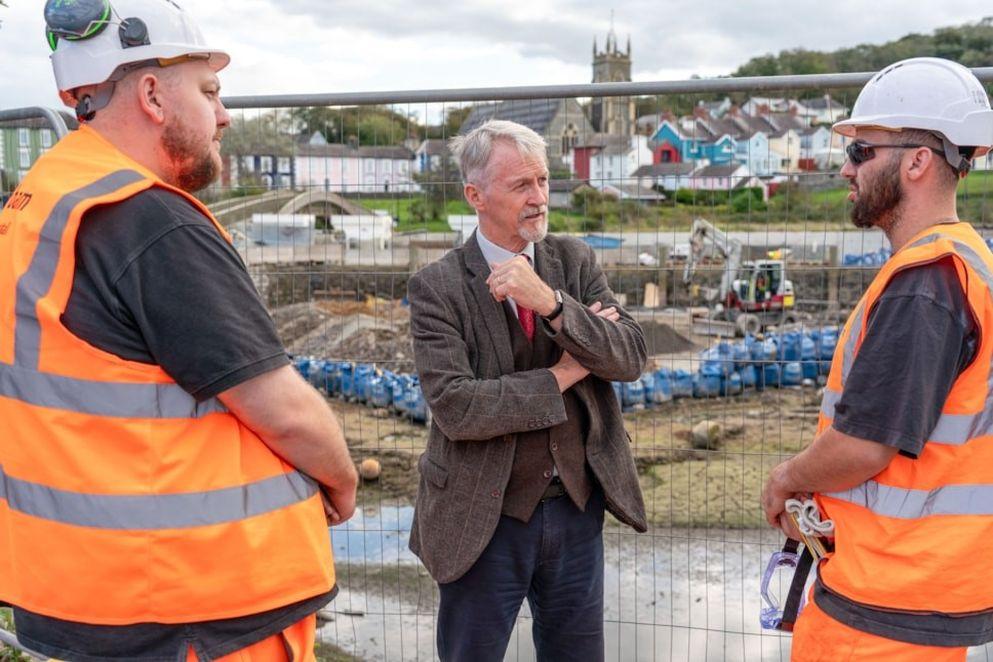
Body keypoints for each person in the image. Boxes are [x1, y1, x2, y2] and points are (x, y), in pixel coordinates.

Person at [0, 1, 357, 660]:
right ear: (154, 94)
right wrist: (341, 479)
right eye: (210, 91)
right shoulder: (150, 223)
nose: (223, 115)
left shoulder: (39, 201)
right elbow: (282, 411)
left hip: (80, 587)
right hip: (197, 602)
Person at [760, 57, 993, 661]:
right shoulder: (965, 264)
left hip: (882, 612)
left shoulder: (925, 282)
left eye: (862, 151)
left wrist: (788, 479)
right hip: (915, 591)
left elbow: (867, 443)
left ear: (917, 160)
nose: (846, 168)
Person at [407, 119, 648, 661]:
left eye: (542, 181)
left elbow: (629, 355)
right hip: (480, 517)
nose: (539, 198)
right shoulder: (437, 288)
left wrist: (553, 305)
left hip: (575, 512)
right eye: (521, 186)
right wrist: (565, 373)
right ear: (475, 196)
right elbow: (458, 408)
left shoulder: (574, 262)